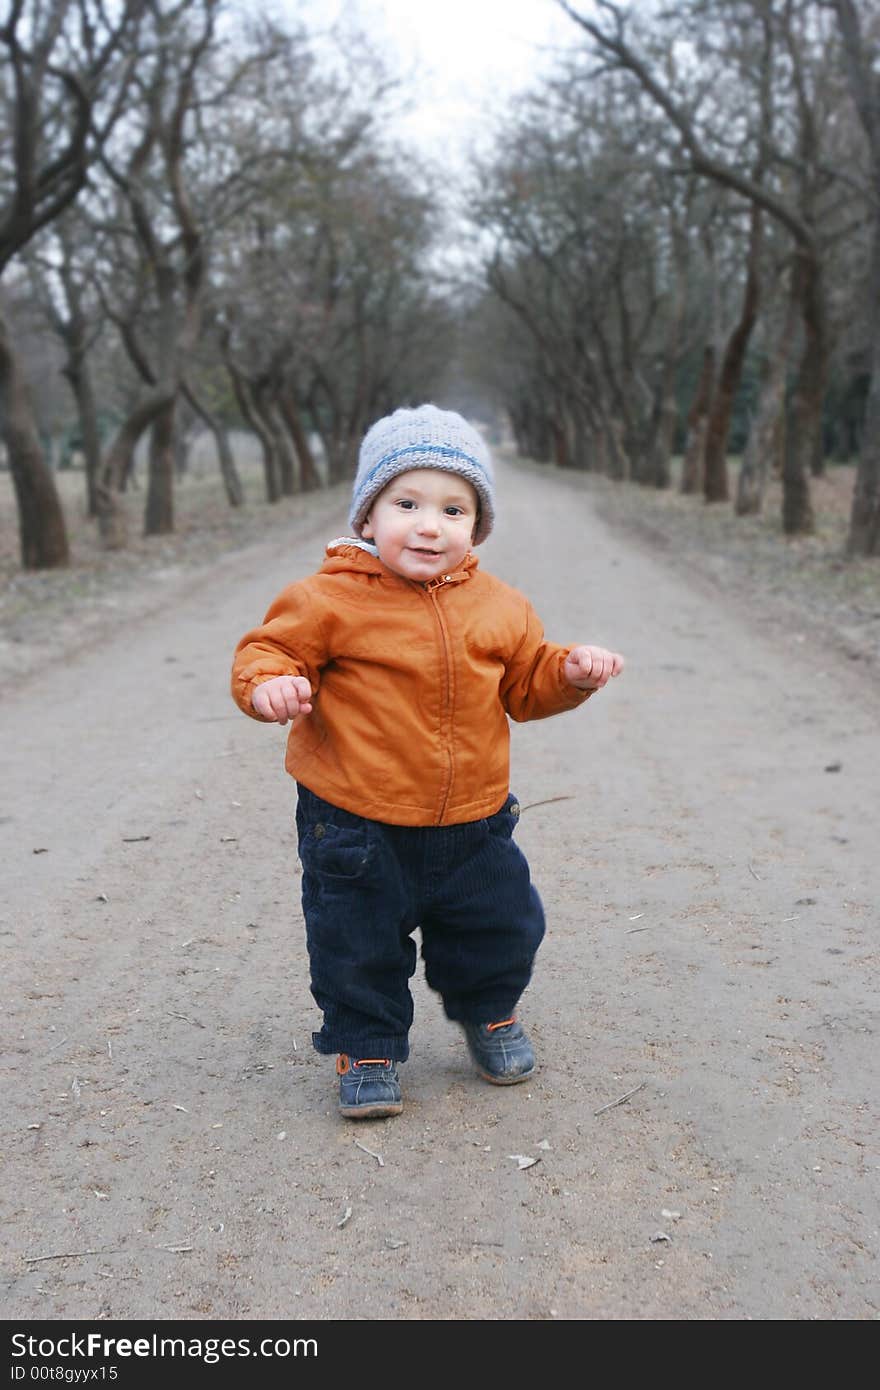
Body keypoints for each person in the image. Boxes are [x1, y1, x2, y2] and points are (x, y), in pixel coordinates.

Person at [231, 404, 623, 1120]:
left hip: (472, 819)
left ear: (477, 525)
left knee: (501, 925)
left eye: (454, 508)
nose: (430, 524)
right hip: (354, 820)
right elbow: (270, 650)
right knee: (356, 941)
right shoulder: (326, 599)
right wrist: (270, 686)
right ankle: (368, 1044)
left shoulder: (500, 607)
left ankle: (490, 1010)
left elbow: (525, 687)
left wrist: (567, 674)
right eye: (406, 503)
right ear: (367, 517)